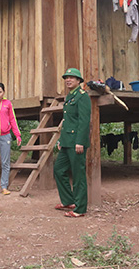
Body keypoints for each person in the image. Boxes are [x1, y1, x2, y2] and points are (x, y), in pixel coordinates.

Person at [53, 68, 91, 218]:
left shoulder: (82, 97)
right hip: (67, 141)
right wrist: (61, 140)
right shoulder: (70, 96)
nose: (68, 80)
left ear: (78, 81)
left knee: (78, 175)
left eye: (72, 78)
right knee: (59, 169)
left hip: (77, 142)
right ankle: (68, 201)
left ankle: (80, 209)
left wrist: (80, 142)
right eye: (66, 78)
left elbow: (84, 122)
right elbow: (67, 121)